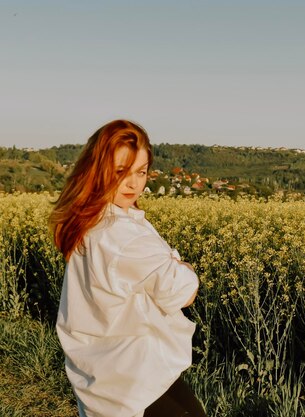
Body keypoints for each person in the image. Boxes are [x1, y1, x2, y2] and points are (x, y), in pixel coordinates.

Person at [50, 120, 207, 417]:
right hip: (135, 375)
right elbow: (183, 292)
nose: (134, 184)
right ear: (98, 169)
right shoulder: (120, 234)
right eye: (120, 172)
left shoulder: (90, 220)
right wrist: (183, 266)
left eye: (141, 171)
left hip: (105, 370)